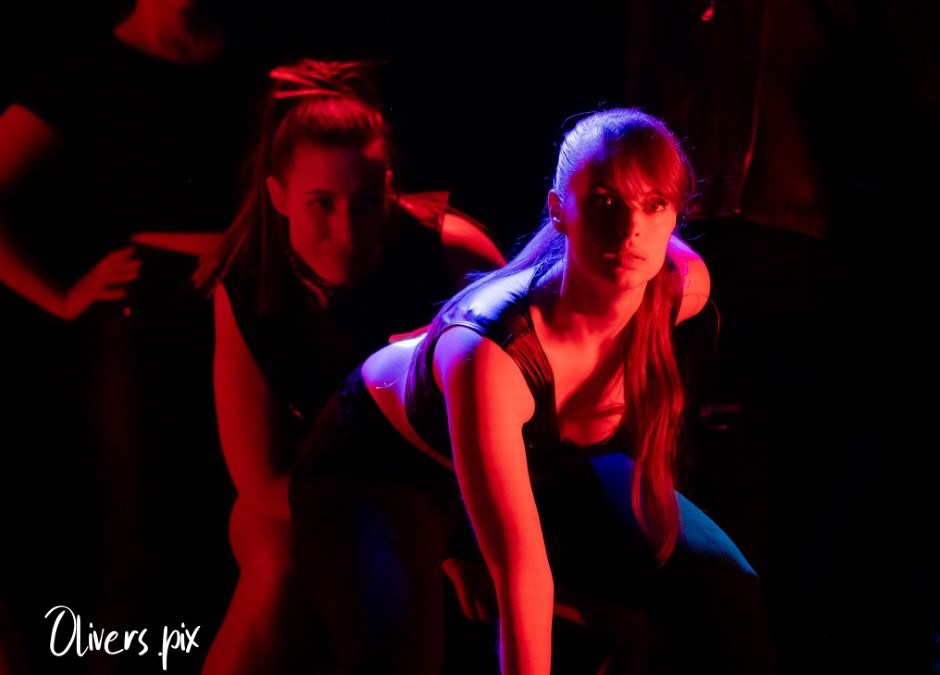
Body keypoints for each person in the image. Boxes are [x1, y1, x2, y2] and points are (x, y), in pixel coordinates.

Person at [289, 107, 779, 674]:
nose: (631, 230)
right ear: (558, 210)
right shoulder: (492, 352)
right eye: (605, 201)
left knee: (725, 589)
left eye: (654, 205)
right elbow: (522, 577)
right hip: (384, 472)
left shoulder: (682, 289)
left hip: (538, 461)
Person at [191, 59, 507, 674]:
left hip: (453, 485)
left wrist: (455, 534)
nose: (346, 230)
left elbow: (521, 422)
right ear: (278, 196)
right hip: (306, 490)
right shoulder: (247, 283)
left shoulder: (452, 253)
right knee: (279, 558)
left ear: (389, 187)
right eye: (321, 203)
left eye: (366, 202)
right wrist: (401, 523)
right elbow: (261, 479)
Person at [0, 1, 263, 671]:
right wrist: (60, 296)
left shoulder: (258, 61)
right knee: (141, 542)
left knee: (241, 539)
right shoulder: (86, 68)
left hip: (252, 317)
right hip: (146, 333)